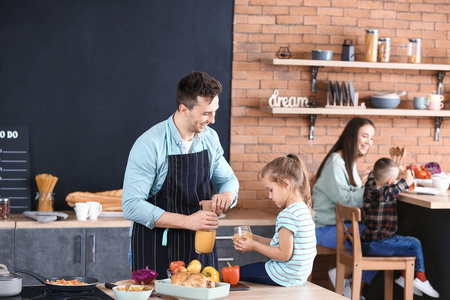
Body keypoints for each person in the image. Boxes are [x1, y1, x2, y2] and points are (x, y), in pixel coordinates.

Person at [122, 71, 239, 277]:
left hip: (200, 247)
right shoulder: (150, 144)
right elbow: (131, 206)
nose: (212, 120)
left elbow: (228, 180)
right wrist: (187, 222)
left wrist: (227, 196)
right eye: (205, 113)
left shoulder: (210, 139)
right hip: (155, 246)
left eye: (215, 111)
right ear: (184, 109)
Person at [312, 117, 376, 297]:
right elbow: (346, 200)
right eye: (365, 136)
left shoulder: (349, 162)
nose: (368, 142)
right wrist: (369, 186)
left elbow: (349, 193)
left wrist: (362, 182)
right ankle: (344, 278)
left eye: (371, 138)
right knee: (377, 240)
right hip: (324, 228)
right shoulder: (336, 162)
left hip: (340, 226)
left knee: (378, 237)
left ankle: (350, 285)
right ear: (351, 135)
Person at [233, 154, 316, 286]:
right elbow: (282, 245)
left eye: (271, 190)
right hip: (298, 276)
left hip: (282, 274)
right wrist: (255, 238)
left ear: (286, 184)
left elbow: (284, 254)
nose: (269, 196)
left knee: (233, 273)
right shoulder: (303, 210)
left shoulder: (287, 214)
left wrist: (254, 246)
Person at [361, 158, 439, 298]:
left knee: (407, 246)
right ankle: (421, 279)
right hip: (380, 243)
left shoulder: (370, 185)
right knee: (414, 243)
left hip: (367, 242)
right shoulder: (385, 194)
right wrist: (407, 176)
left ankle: (404, 277)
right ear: (390, 181)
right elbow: (404, 185)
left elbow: (380, 175)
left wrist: (399, 172)